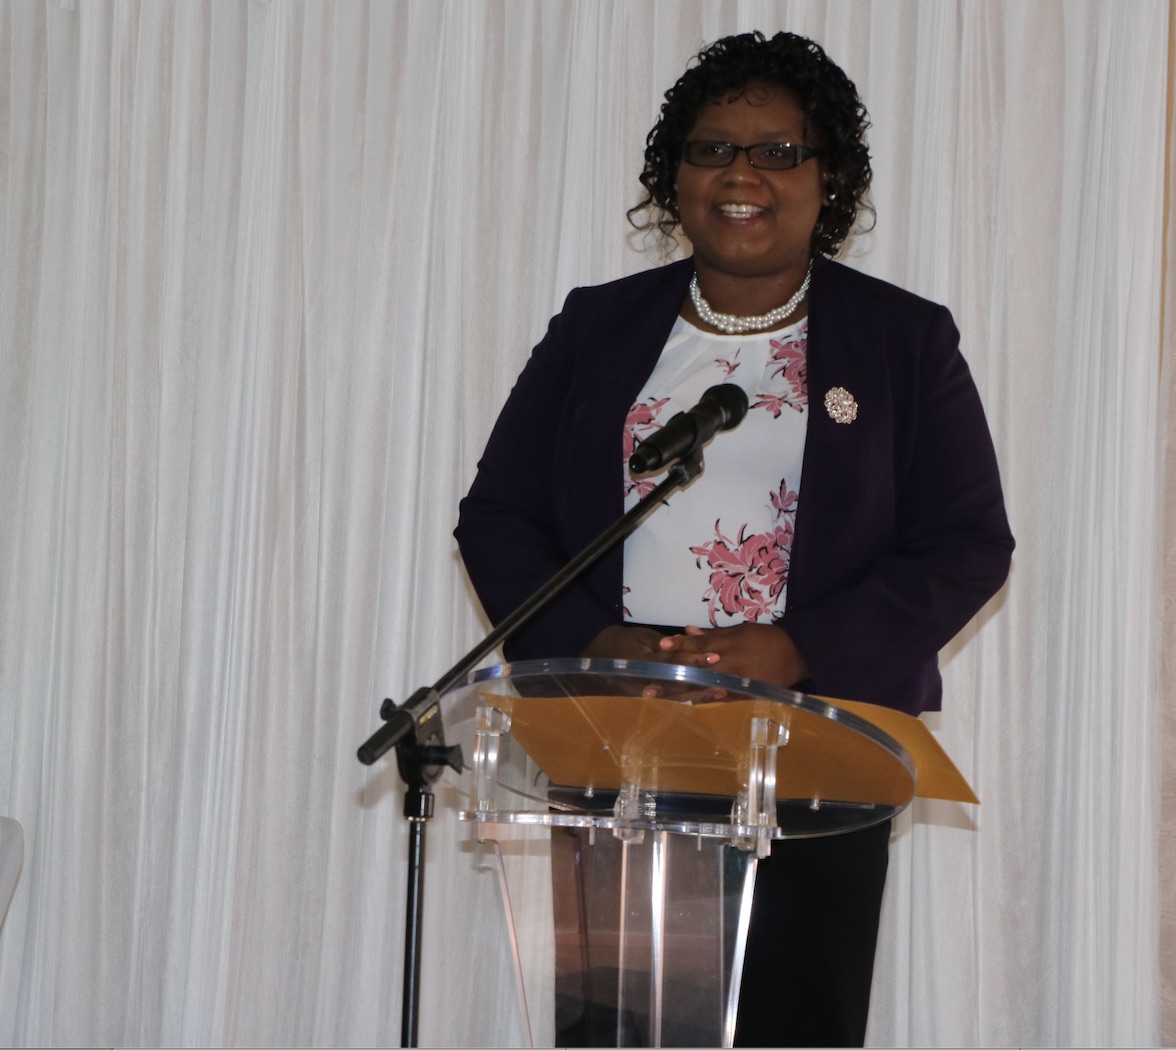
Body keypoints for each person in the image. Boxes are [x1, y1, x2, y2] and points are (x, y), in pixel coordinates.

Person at [455, 29, 1014, 1048]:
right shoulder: (598, 327)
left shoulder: (901, 340)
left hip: (816, 750)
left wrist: (799, 648)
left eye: (777, 151)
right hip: (623, 742)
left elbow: (967, 541)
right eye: (712, 149)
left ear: (827, 178)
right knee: (620, 1033)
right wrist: (597, 647)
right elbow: (497, 515)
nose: (741, 174)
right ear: (676, 176)